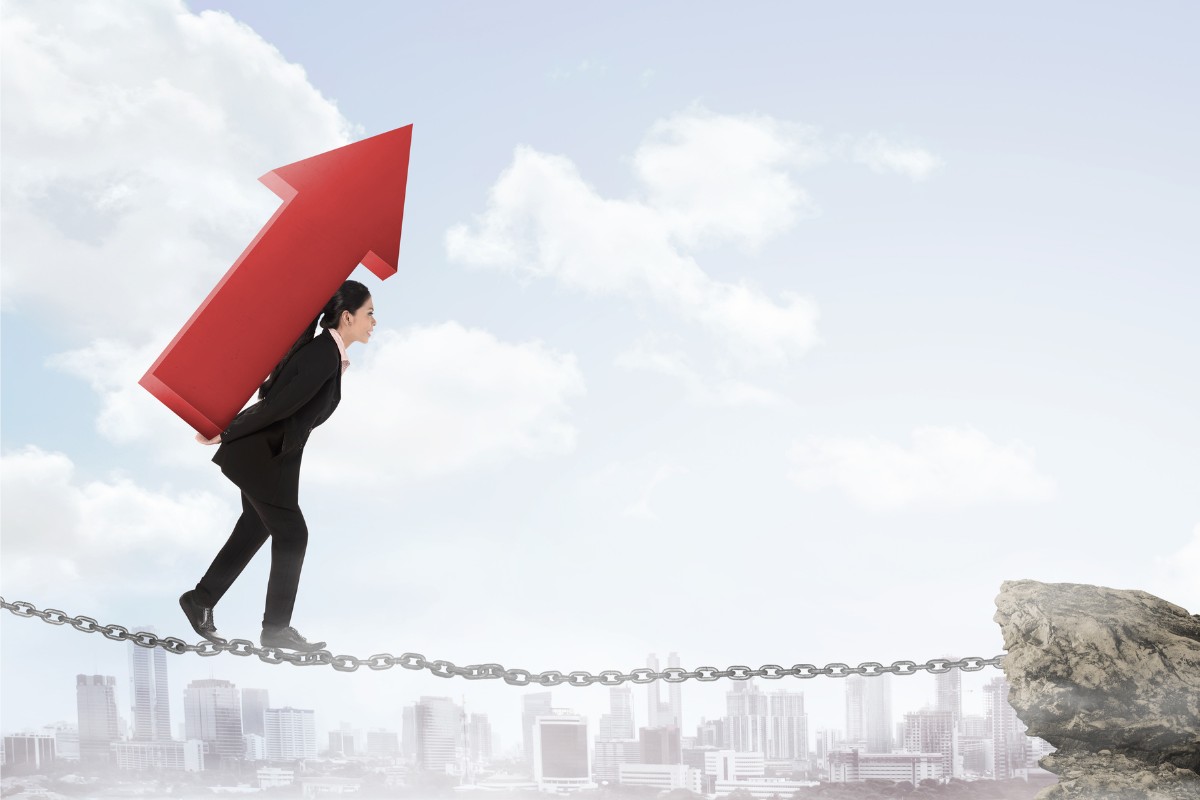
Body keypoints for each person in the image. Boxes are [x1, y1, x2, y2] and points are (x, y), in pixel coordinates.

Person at [178, 280, 375, 652]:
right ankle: (275, 630)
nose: (373, 322)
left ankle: (200, 600)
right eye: (369, 313)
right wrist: (226, 431)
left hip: (271, 457)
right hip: (263, 457)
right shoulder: (323, 355)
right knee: (292, 535)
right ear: (348, 317)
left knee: (255, 528)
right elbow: (277, 405)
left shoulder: (328, 354)